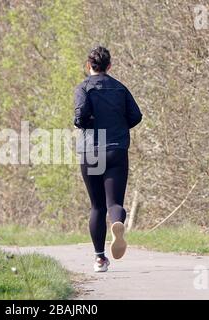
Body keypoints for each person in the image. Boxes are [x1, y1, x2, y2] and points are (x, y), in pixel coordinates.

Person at [74, 46, 142, 272]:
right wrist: (119, 126)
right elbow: (136, 116)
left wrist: (87, 122)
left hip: (91, 150)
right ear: (109, 66)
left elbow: (80, 117)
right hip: (116, 149)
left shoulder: (83, 88)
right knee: (114, 204)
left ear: (88, 66)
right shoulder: (120, 88)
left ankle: (100, 259)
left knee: (96, 207)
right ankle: (117, 224)